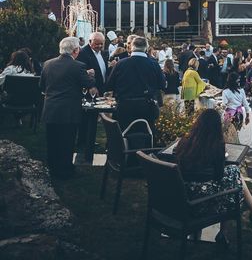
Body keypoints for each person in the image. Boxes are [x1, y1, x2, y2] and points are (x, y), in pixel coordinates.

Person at [175, 109, 252, 248]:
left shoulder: (184, 142)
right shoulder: (216, 146)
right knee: (233, 177)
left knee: (233, 175)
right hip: (200, 204)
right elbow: (218, 176)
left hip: (182, 198)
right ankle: (226, 230)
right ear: (217, 127)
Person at [40, 37, 96, 179]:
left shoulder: (47, 64)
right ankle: (65, 170)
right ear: (75, 50)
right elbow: (89, 84)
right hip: (68, 110)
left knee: (52, 141)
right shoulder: (78, 66)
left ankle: (52, 169)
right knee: (67, 141)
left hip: (51, 108)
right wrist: (90, 75)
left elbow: (41, 86)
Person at [105, 36, 165, 132]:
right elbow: (162, 85)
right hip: (146, 106)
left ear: (132, 47)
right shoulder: (153, 64)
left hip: (125, 106)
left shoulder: (120, 64)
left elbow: (109, 85)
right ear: (146, 48)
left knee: (123, 134)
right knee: (146, 134)